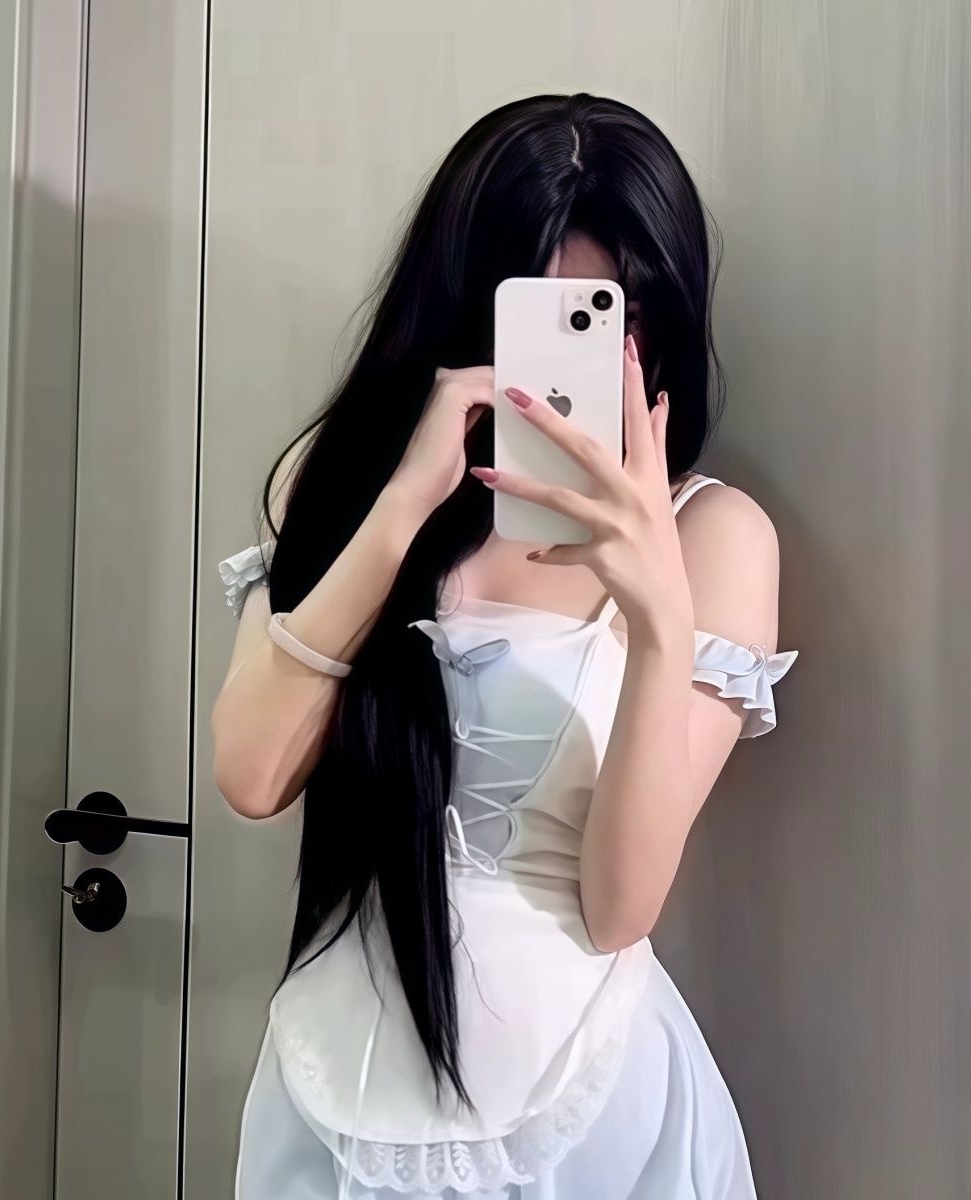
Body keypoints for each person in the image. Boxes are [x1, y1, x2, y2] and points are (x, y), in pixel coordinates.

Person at [212, 92, 799, 1200]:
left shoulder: (715, 535)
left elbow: (619, 907)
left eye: (611, 314)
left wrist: (658, 615)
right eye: (538, 312)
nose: (582, 360)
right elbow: (250, 776)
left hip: (593, 1107)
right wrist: (398, 511)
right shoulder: (334, 483)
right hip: (341, 1084)